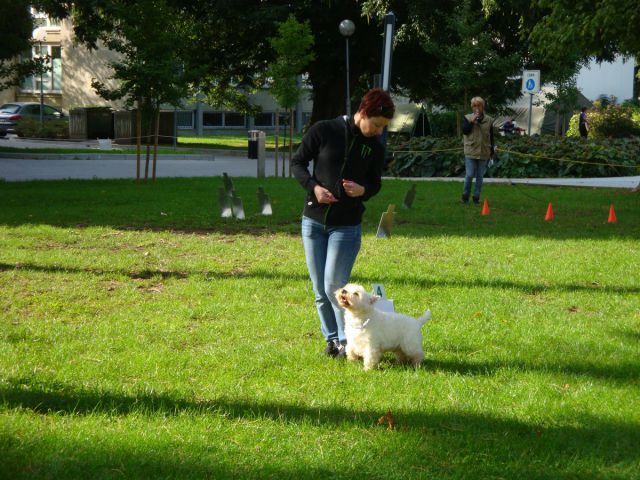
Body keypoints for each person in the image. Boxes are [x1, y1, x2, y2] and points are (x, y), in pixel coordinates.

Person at [291, 88, 395, 358]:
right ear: (363, 113)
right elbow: (298, 163)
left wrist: (363, 191)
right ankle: (333, 341)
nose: (379, 132)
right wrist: (313, 187)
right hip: (313, 222)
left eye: (383, 128)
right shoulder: (324, 130)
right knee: (319, 289)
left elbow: (375, 183)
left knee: (333, 285)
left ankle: (347, 341)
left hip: (346, 226)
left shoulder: (375, 146)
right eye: (377, 125)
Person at [461, 96, 494, 205]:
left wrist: (492, 152)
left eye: (479, 105)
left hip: (484, 152)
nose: (477, 108)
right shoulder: (467, 118)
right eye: (474, 105)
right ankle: (465, 196)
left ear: (482, 106)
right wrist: (472, 121)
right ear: (472, 107)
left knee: (480, 177)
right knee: (469, 175)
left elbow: (491, 136)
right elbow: (465, 131)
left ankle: (476, 197)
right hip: (470, 151)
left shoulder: (489, 120)